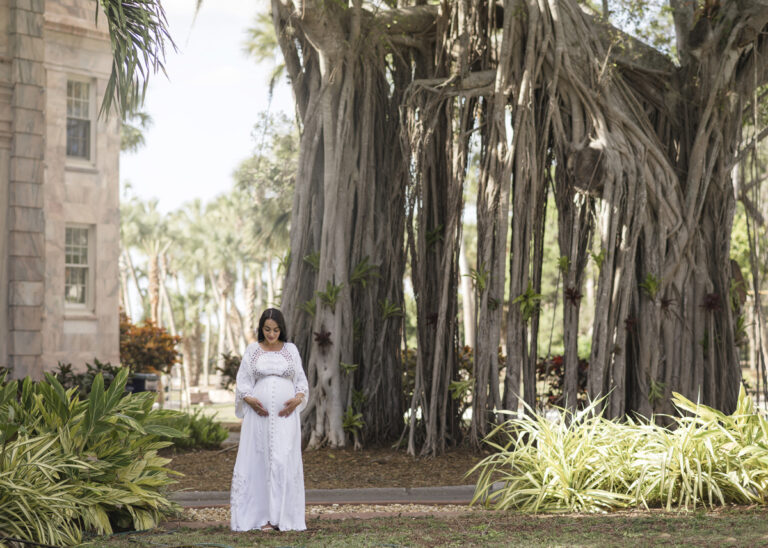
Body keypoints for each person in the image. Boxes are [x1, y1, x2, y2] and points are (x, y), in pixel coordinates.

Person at [230, 308, 309, 532]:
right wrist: (250, 399)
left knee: (283, 460)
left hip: (286, 417)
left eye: (275, 330)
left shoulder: (291, 350)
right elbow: (243, 381)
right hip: (258, 417)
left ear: (281, 329)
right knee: (260, 460)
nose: (271, 334)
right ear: (261, 328)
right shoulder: (253, 350)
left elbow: (301, 381)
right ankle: (261, 517)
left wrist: (297, 399)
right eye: (267, 329)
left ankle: (283, 517)